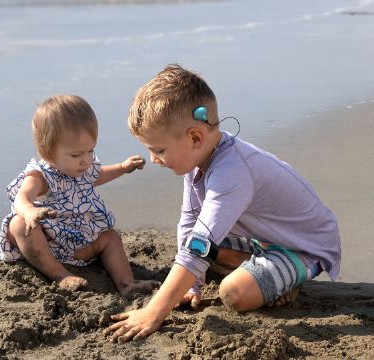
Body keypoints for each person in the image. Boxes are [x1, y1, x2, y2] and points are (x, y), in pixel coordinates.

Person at [103, 64, 341, 342]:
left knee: (233, 293)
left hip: (303, 247)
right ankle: (266, 270)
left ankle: (291, 277)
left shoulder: (232, 174)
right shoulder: (199, 159)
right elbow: (190, 222)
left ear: (195, 137)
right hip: (260, 238)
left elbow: (199, 247)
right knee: (197, 253)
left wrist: (155, 310)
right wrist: (193, 285)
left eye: (159, 150)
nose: (154, 159)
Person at [0, 94, 159, 295]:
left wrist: (122, 167)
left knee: (110, 237)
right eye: (76, 155)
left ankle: (126, 283)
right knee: (19, 225)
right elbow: (22, 198)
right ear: (48, 152)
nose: (85, 160)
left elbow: (97, 176)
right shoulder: (40, 176)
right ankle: (60, 275)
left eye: (90, 151)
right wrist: (29, 211)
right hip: (47, 244)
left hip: (78, 242)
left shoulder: (84, 168)